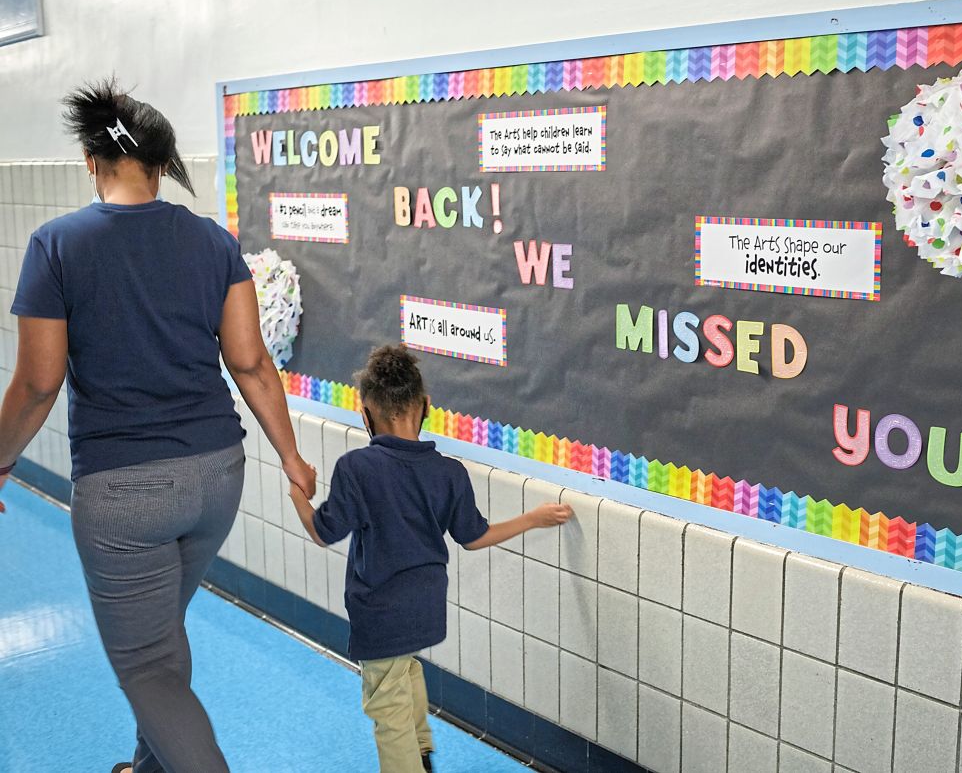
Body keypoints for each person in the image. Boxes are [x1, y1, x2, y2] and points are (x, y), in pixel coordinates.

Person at [0, 79, 317, 773]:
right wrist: (291, 458)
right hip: (217, 477)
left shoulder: (57, 245)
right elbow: (251, 362)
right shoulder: (212, 241)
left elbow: (37, 383)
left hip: (122, 497)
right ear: (158, 164)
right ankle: (149, 767)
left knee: (147, 664)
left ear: (92, 162)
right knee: (162, 637)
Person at [287, 344, 572, 773]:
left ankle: (410, 763)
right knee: (403, 672)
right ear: (426, 408)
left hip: (378, 611)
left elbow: (323, 532)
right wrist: (532, 518)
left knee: (386, 703)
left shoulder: (356, 468)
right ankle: (422, 754)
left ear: (366, 414)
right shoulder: (449, 472)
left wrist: (298, 491)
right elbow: (474, 538)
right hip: (426, 607)